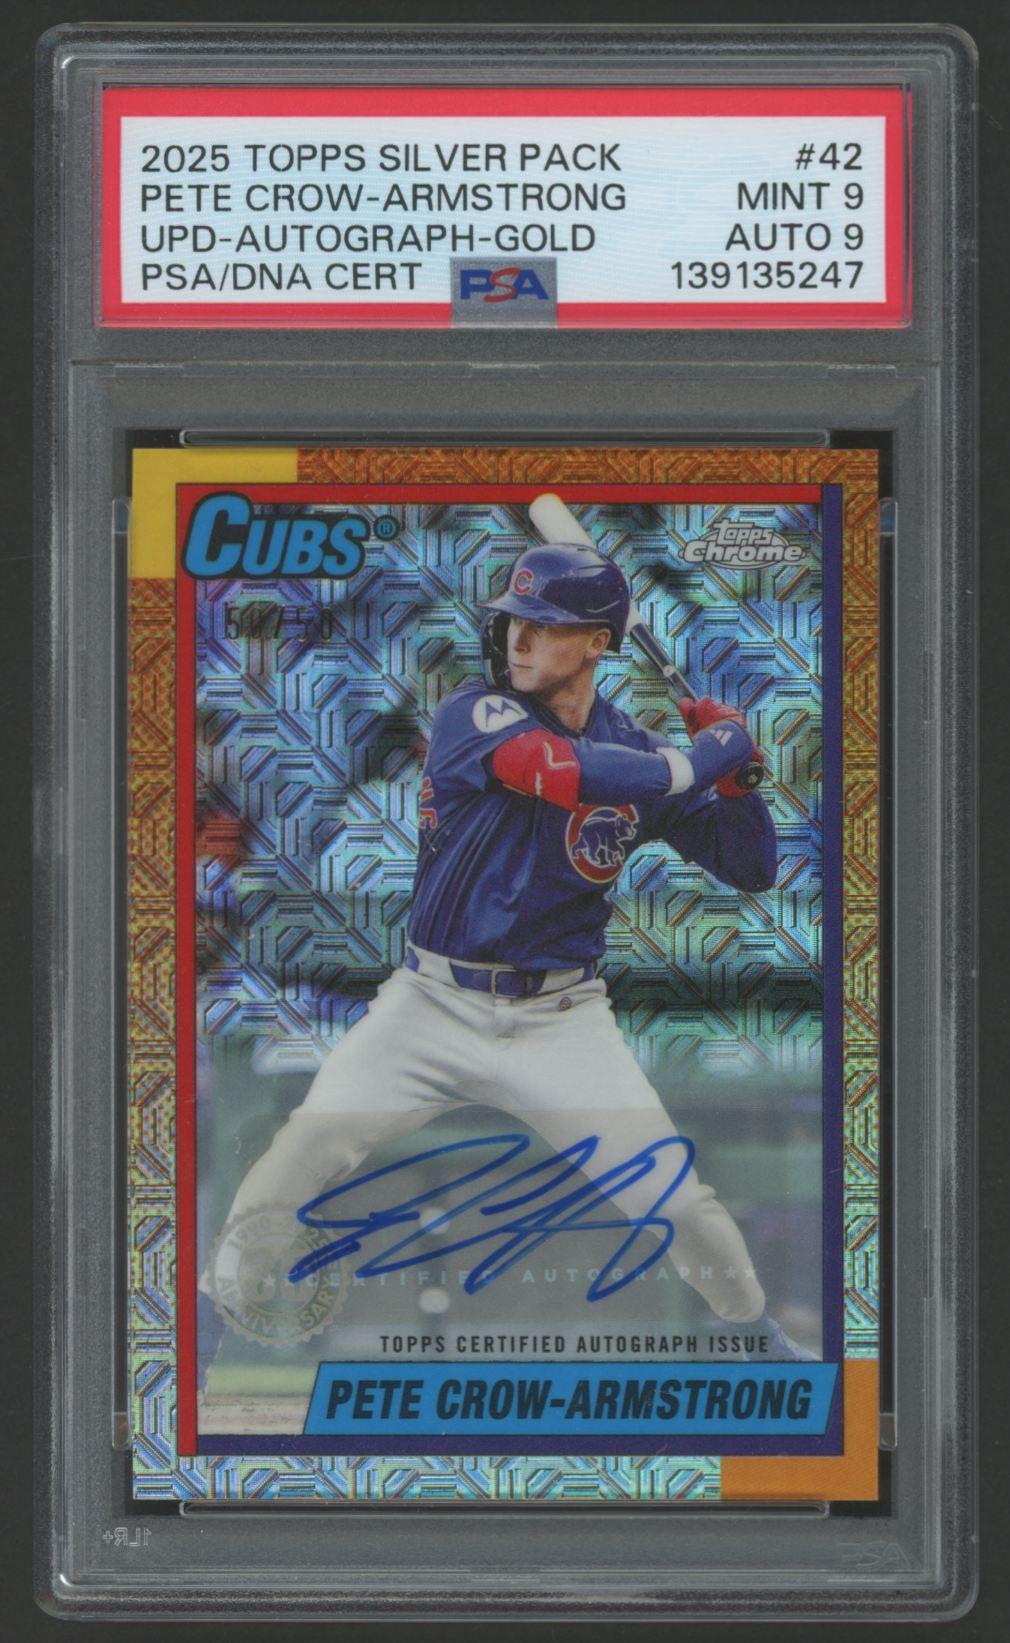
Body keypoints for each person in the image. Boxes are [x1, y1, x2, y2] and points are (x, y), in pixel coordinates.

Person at [200, 543, 815, 1376]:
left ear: (597, 642)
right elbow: (562, 771)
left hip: (562, 1019)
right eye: (514, 620)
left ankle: (754, 1336)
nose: (518, 638)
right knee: (302, 1152)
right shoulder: (475, 712)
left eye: (545, 625)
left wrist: (740, 782)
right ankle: (211, 1323)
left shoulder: (633, 748)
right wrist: (701, 758)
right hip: (429, 1007)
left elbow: (752, 865)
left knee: (673, 1198)